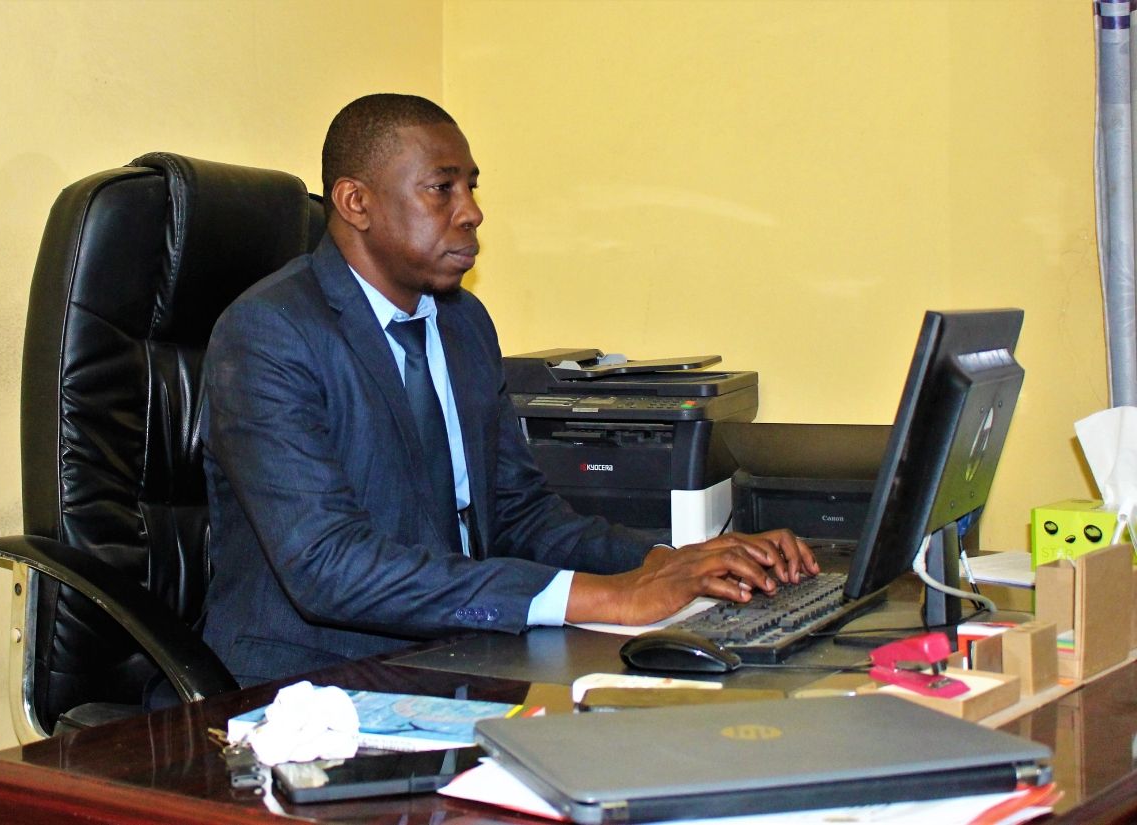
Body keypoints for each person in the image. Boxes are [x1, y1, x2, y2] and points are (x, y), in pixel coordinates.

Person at [199, 93, 817, 686]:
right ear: (356, 201)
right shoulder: (269, 334)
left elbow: (519, 514)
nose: (470, 211)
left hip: (458, 653)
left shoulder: (463, 323)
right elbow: (329, 567)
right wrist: (608, 596)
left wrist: (670, 561)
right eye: (442, 188)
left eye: (471, 186)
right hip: (304, 685)